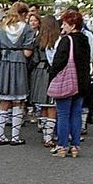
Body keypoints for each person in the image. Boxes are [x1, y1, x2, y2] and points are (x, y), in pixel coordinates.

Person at [0, 2, 36, 145]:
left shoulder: (0, 27)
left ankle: (1, 136)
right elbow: (28, 53)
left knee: (3, 101)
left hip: (3, 63)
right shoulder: (27, 29)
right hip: (19, 65)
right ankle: (15, 137)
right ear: (23, 14)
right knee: (18, 101)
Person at [50, 10, 92, 158]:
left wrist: (52, 76)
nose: (63, 26)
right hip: (82, 82)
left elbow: (58, 62)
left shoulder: (66, 40)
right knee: (76, 114)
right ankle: (75, 146)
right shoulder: (85, 40)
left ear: (72, 25)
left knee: (63, 114)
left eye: (65, 23)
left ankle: (61, 145)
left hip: (67, 82)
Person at [28, 15, 60, 147]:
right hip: (51, 71)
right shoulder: (57, 40)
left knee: (43, 105)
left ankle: (44, 132)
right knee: (52, 105)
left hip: (38, 71)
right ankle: (48, 137)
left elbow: (33, 59)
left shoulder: (38, 39)